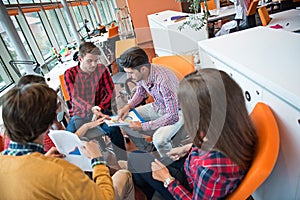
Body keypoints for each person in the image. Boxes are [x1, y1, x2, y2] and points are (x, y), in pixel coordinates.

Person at [128, 69, 257, 199]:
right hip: (190, 167)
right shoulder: (234, 125)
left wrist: (167, 180)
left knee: (136, 159)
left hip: (187, 185)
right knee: (140, 160)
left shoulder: (211, 166)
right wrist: (188, 148)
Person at [0, 83, 134, 199]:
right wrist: (98, 161)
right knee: (124, 175)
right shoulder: (60, 171)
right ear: (48, 124)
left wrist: (44, 159)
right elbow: (105, 197)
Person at [64, 42, 127, 161]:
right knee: (68, 140)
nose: (94, 64)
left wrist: (99, 109)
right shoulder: (70, 74)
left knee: (115, 130)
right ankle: (80, 168)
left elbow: (110, 92)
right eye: (89, 61)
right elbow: (75, 98)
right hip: (80, 114)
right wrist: (91, 109)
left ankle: (123, 161)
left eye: (96, 60)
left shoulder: (101, 69)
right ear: (80, 59)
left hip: (101, 112)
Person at [117, 46, 184, 157]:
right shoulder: (142, 74)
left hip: (177, 112)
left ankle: (172, 164)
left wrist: (143, 126)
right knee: (123, 120)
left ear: (143, 69)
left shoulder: (164, 81)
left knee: (159, 140)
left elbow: (172, 116)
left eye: (131, 73)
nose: (128, 77)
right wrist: (128, 106)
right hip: (158, 106)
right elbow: (140, 91)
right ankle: (149, 148)